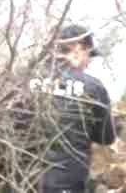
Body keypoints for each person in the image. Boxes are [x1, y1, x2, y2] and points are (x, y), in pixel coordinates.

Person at [9, 24, 117, 193]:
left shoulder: (21, 79)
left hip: (20, 179)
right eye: (89, 55)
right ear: (79, 48)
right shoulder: (93, 87)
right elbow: (106, 138)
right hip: (66, 184)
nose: (88, 62)